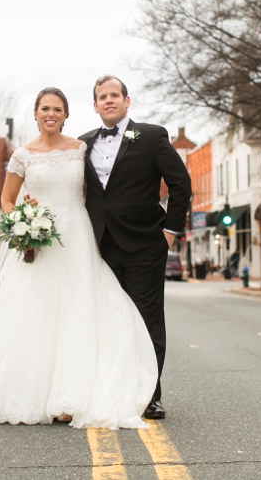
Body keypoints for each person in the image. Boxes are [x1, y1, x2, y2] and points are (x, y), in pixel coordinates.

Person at [0, 87, 157, 429]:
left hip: (76, 236)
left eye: (57, 109)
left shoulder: (80, 149)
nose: (50, 114)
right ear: (35, 114)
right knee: (34, 311)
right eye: (44, 108)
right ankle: (30, 393)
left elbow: (94, 193)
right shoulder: (22, 155)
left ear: (66, 114)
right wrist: (23, 217)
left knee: (77, 310)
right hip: (37, 240)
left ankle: (72, 395)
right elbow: (7, 200)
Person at [80, 75, 192, 420]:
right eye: (103, 96)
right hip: (100, 248)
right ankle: (113, 391)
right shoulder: (82, 144)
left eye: (115, 95)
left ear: (127, 101)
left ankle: (150, 396)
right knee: (109, 321)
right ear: (95, 105)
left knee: (146, 320)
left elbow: (180, 183)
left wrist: (169, 232)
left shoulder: (152, 135)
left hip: (146, 245)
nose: (109, 100)